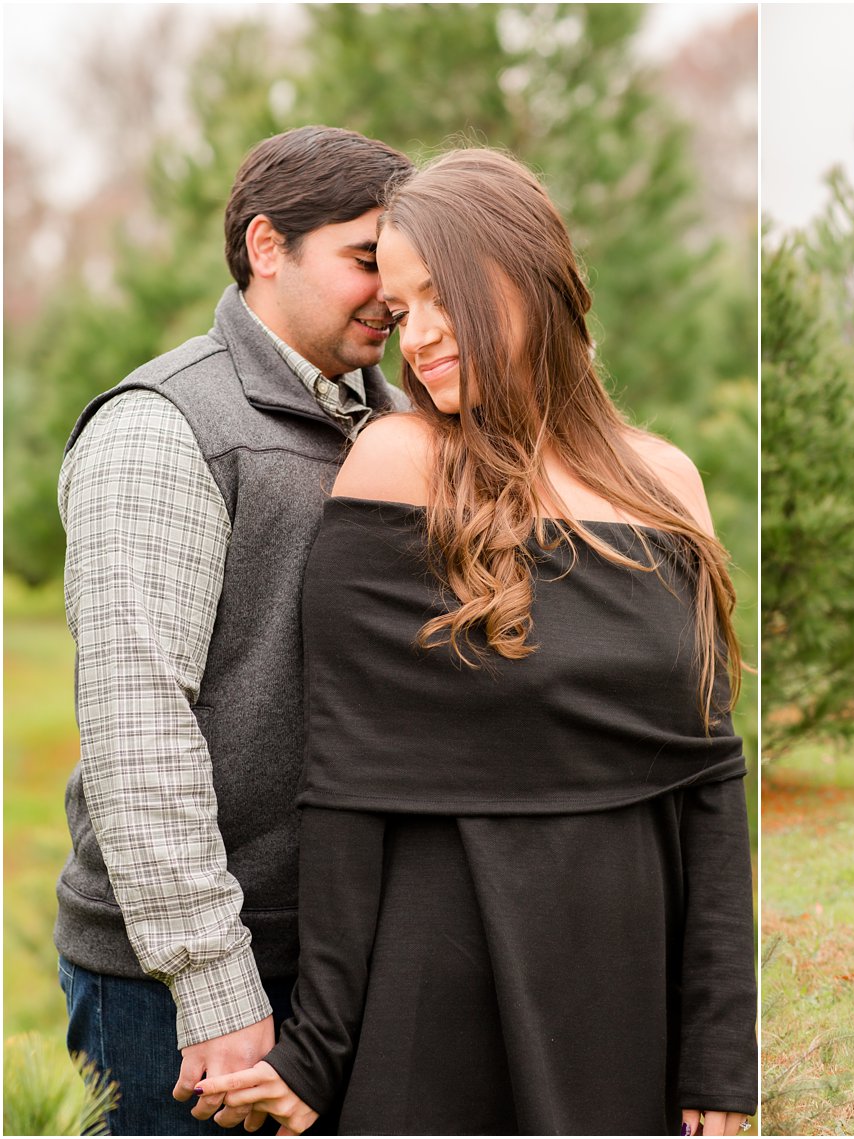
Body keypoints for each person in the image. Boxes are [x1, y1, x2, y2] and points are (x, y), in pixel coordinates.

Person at [193, 148, 758, 1135]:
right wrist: (318, 1049)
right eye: (402, 310)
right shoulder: (399, 462)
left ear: (531, 274)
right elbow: (347, 777)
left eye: (440, 292)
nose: (419, 336)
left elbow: (710, 784)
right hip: (444, 973)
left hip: (627, 979)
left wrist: (718, 1052)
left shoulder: (665, 481)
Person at [53, 126, 414, 1134]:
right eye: (363, 257)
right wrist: (213, 980)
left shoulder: (395, 425)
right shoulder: (168, 425)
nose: (390, 292)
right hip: (182, 989)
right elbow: (138, 726)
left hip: (343, 965)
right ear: (266, 246)